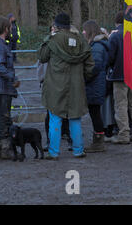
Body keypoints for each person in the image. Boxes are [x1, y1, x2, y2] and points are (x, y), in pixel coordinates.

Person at [38, 12, 95, 160]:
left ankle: (53, 152)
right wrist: (85, 79)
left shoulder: (53, 39)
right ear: (69, 25)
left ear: (56, 26)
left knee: (55, 118)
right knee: (75, 118)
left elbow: (42, 56)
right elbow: (90, 65)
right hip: (76, 85)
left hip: (55, 85)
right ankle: (78, 150)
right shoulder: (81, 40)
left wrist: (49, 36)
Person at [107, 10, 132, 144]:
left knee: (121, 105)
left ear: (117, 22)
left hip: (118, 75)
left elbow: (109, 57)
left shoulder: (115, 36)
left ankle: (124, 134)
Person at [82, 20, 109, 153]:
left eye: (85, 30)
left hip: (94, 84)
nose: (83, 32)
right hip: (96, 84)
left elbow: (94, 67)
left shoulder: (97, 47)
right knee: (95, 113)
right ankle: (98, 140)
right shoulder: (97, 45)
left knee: (95, 113)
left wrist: (85, 77)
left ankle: (98, 142)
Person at [0, 17, 20, 159]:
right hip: (3, 88)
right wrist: (13, 78)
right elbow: (0, 66)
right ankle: (5, 149)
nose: (12, 28)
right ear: (6, 28)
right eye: (10, 26)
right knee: (4, 118)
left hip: (3, 88)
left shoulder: (3, 44)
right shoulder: (0, 46)